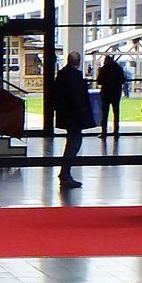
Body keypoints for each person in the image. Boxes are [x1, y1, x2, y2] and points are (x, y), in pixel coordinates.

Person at [49, 51, 95, 190]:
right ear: (79, 62)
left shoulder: (62, 75)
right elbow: (79, 100)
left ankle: (65, 173)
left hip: (66, 116)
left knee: (71, 143)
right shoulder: (75, 77)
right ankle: (65, 173)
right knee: (74, 144)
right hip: (75, 117)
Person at [97, 53, 127, 138]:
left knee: (104, 114)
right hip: (116, 93)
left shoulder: (104, 69)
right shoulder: (118, 68)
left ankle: (104, 132)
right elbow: (122, 80)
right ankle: (116, 132)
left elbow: (99, 81)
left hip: (106, 94)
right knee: (116, 113)